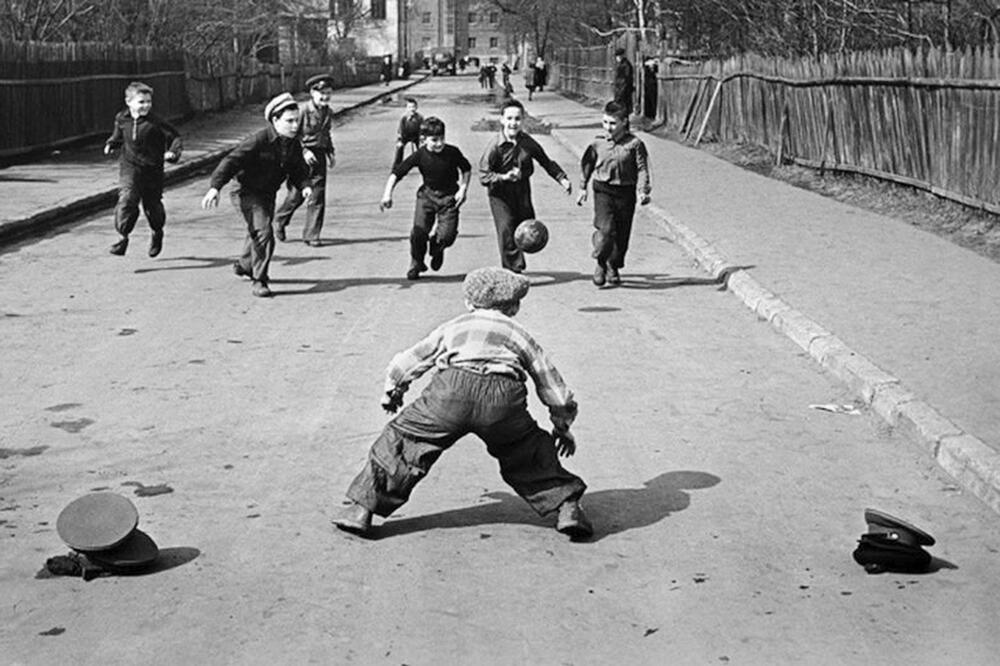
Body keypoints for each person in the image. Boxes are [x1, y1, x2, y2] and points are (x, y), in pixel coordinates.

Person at [331, 266, 592, 540]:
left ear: (469, 302)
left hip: (450, 393)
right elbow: (550, 383)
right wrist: (561, 425)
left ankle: (361, 510)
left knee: (403, 442)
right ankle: (567, 506)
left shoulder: (454, 326)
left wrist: (393, 390)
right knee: (526, 449)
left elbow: (411, 360)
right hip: (502, 401)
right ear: (514, 307)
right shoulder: (518, 333)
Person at [200, 93, 312, 298]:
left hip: (267, 194)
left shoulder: (292, 144)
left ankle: (244, 264)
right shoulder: (258, 140)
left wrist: (304, 185)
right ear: (275, 121)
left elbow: (299, 169)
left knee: (258, 230)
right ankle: (259, 279)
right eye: (290, 121)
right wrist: (215, 187)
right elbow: (231, 161)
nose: (295, 125)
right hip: (245, 191)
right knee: (264, 232)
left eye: (297, 120)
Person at [479, 99, 572, 273]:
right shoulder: (494, 146)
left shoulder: (528, 143)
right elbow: (483, 176)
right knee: (506, 228)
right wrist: (503, 177)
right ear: (502, 120)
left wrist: (561, 178)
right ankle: (512, 270)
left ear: (522, 121)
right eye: (509, 118)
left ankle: (516, 259)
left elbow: (545, 161)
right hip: (499, 194)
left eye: (517, 119)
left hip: (521, 191)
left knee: (526, 227)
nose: (513, 123)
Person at [380, 116, 472, 280]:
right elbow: (397, 173)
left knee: (448, 236)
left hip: (449, 197)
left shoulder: (452, 152)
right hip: (427, 196)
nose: (439, 144)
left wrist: (463, 189)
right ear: (423, 139)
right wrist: (387, 194)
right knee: (418, 232)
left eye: (442, 138)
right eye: (434, 140)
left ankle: (437, 246)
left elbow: (466, 169)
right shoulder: (420, 155)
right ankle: (416, 262)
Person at [576, 101, 651, 287]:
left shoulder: (635, 144)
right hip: (603, 190)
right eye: (605, 122)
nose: (608, 127)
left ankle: (613, 266)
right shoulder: (597, 142)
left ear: (624, 122)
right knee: (607, 230)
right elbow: (587, 165)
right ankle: (600, 262)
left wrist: (643, 190)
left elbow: (642, 169)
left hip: (626, 193)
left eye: (612, 123)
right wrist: (582, 187)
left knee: (622, 236)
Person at [104, 81, 182, 257]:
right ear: (129, 102)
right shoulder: (122, 118)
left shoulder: (156, 123)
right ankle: (123, 237)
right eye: (141, 102)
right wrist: (111, 143)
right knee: (127, 200)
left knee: (152, 206)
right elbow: (118, 135)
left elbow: (175, 137)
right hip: (130, 167)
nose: (146, 105)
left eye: (148, 101)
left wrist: (172, 153)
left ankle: (157, 232)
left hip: (152, 170)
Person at [273, 74, 337, 247]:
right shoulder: (301, 111)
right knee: (297, 195)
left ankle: (312, 235)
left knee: (318, 196)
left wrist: (330, 153)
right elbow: (290, 135)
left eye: (328, 93)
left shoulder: (328, 111)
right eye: (321, 93)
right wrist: (304, 151)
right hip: (300, 156)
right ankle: (279, 219)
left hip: (320, 155)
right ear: (312, 93)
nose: (325, 97)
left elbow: (326, 134)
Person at [392, 97, 423, 170]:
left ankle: (423, 164)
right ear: (406, 108)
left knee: (423, 149)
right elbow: (400, 130)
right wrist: (400, 140)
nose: (412, 109)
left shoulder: (419, 118)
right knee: (399, 147)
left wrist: (422, 139)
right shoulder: (404, 118)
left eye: (413, 107)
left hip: (416, 136)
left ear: (416, 108)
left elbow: (422, 129)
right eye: (409, 107)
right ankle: (397, 166)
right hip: (405, 136)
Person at [613, 47, 635, 117]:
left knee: (624, 109)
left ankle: (625, 125)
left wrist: (621, 91)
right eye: (617, 56)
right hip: (620, 90)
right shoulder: (620, 64)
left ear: (623, 55)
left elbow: (626, 79)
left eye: (619, 56)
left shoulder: (626, 65)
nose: (617, 58)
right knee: (620, 109)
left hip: (624, 91)